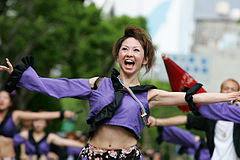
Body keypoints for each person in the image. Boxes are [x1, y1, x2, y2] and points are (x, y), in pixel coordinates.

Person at [1, 27, 240, 160]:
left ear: (144, 59)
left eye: (136, 50)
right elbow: (60, 87)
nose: (129, 53)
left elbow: (195, 98)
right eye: (125, 48)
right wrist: (23, 77)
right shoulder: (99, 84)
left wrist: (230, 97)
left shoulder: (150, 95)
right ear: (118, 56)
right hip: (91, 155)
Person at [148, 78, 240, 160]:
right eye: (226, 89)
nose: (229, 92)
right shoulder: (210, 117)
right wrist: (156, 121)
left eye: (233, 90)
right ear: (220, 92)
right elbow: (186, 119)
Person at [0, 90, 75, 159]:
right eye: (0, 97)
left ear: (10, 102)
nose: (1, 100)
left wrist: (61, 114)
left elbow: (39, 115)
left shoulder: (15, 115)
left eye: (5, 98)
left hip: (8, 157)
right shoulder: (24, 134)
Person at [14, 118, 85, 160]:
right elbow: (22, 156)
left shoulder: (49, 136)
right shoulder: (24, 135)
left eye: (41, 122)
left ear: (45, 124)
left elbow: (65, 142)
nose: (38, 124)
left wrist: (85, 145)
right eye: (36, 121)